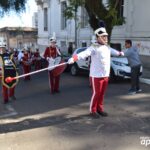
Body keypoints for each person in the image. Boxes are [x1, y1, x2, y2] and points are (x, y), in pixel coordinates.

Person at [68, 25, 123, 118]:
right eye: (104, 36)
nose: (106, 38)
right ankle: (92, 111)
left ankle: (99, 109)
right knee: (96, 94)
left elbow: (113, 51)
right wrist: (74, 58)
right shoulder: (94, 47)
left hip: (105, 75)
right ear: (98, 37)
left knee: (102, 94)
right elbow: (84, 53)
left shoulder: (107, 47)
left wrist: (119, 53)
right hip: (96, 75)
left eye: (106, 36)